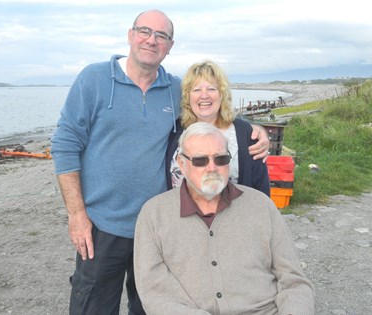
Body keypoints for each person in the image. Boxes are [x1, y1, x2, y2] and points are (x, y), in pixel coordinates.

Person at [51, 10, 271, 315]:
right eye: (145, 31)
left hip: (160, 226)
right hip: (102, 224)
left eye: (161, 36)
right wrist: (76, 214)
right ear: (130, 36)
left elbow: (207, 108)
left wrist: (253, 129)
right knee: (92, 306)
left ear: (170, 45)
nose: (152, 40)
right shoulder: (94, 79)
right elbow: (64, 143)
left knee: (153, 307)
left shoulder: (172, 87)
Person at [134, 122, 315, 315]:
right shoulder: (154, 214)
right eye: (200, 161)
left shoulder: (261, 205)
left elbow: (294, 281)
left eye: (221, 159)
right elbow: (154, 292)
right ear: (181, 163)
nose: (212, 168)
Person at [166, 60, 270, 196]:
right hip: (180, 215)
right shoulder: (174, 131)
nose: (204, 95)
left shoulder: (246, 134)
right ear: (187, 96)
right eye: (196, 90)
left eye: (211, 89)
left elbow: (260, 187)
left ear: (222, 94)